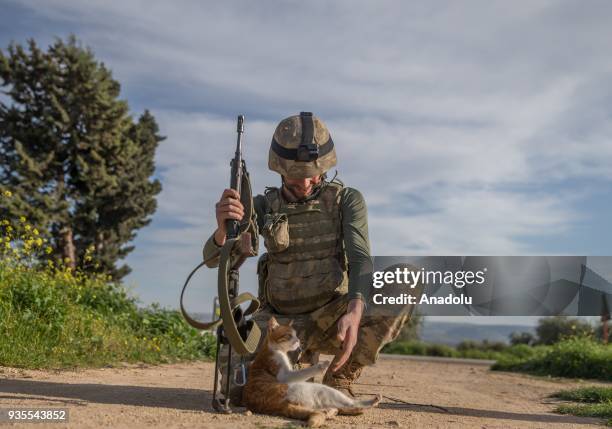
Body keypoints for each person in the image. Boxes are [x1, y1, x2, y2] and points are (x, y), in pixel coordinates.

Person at [203, 112, 413, 403]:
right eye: (295, 175)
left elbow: (360, 257)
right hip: (278, 324)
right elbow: (215, 260)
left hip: (332, 318)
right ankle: (298, 367)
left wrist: (355, 311)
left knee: (406, 279)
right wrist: (222, 231)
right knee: (239, 395)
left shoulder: (346, 200)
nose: (304, 183)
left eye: (312, 174)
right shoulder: (263, 205)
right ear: (279, 169)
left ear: (324, 167)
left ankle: (339, 378)